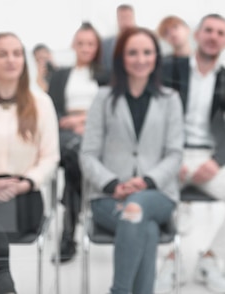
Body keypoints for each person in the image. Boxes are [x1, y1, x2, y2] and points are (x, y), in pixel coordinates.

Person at [155, 13, 225, 294]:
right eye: (208, 30)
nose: (213, 36)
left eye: (220, 33)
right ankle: (170, 260)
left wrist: (217, 162)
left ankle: (210, 259)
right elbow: (153, 117)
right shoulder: (168, 69)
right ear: (197, 35)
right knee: (152, 197)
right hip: (170, 154)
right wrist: (171, 157)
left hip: (209, 158)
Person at [79, 26, 184, 294]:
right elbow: (88, 153)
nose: (140, 59)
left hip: (156, 193)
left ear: (156, 57)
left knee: (136, 208)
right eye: (133, 52)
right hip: (108, 196)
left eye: (147, 52)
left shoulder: (170, 100)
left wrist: (146, 181)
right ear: (121, 58)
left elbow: (174, 154)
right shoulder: (103, 98)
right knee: (144, 228)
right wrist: (113, 184)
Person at [0, 32, 60, 294]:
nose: (11, 60)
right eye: (2, 54)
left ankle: (1, 282)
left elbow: (50, 157)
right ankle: (4, 284)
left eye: (17, 53)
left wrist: (25, 183)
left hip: (23, 199)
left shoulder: (41, 104)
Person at [47, 21, 109, 263]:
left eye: (90, 44)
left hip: (96, 132)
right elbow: (51, 109)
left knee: (79, 157)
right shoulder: (60, 75)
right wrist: (71, 122)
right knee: (76, 152)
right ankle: (79, 216)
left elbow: (110, 110)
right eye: (81, 43)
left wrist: (84, 120)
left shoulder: (105, 76)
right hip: (66, 134)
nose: (85, 48)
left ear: (97, 47)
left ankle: (68, 234)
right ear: (74, 45)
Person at [100, 4, 137, 74]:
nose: (126, 22)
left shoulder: (145, 42)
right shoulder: (105, 44)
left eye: (128, 18)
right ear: (117, 19)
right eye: (122, 18)